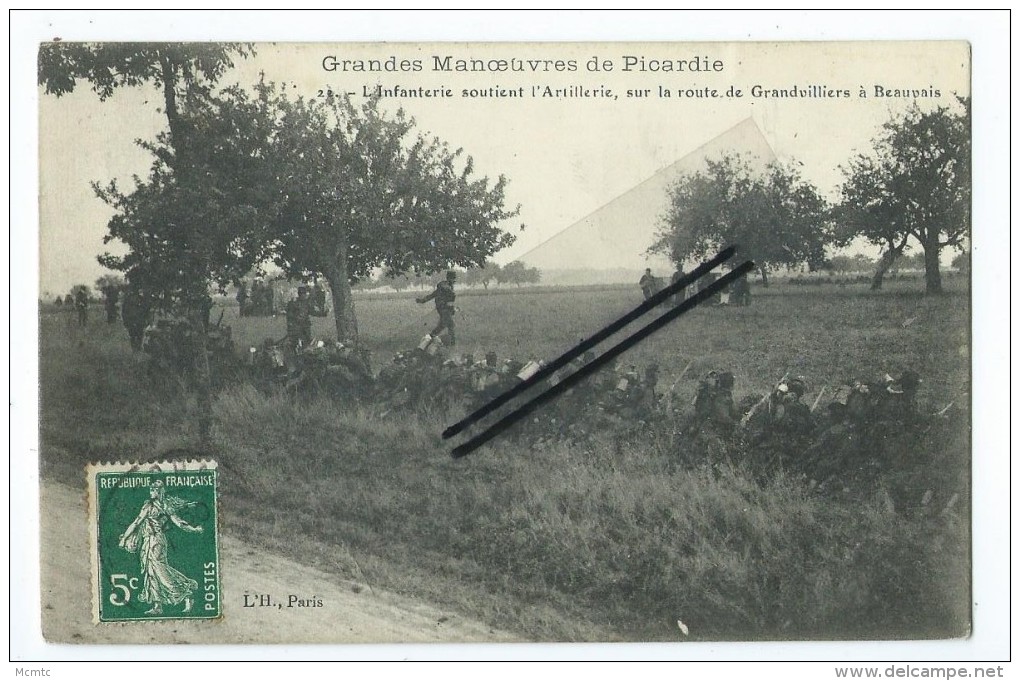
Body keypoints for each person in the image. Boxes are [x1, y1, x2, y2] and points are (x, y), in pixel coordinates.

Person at [117, 480, 203, 615]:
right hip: (148, 541)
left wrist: (194, 529)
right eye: (151, 489)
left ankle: (186, 594)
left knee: (160, 570)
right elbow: (137, 523)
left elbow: (179, 522)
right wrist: (125, 538)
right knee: (151, 572)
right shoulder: (155, 505)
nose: (151, 491)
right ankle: (157, 606)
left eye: (154, 489)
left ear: (160, 491)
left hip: (156, 541)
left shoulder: (157, 506)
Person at [417, 271, 458, 347]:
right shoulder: (445, 287)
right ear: (449, 278)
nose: (454, 281)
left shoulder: (446, 286)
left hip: (445, 309)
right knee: (451, 325)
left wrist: (422, 300)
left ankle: (428, 340)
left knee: (441, 326)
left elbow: (432, 295)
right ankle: (452, 344)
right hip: (444, 309)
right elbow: (448, 297)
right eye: (453, 279)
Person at [121, 285, 153, 351]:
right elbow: (124, 311)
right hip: (135, 321)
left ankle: (136, 350)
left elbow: (146, 310)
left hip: (137, 321)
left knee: (135, 336)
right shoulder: (131, 299)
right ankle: (136, 350)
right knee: (136, 336)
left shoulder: (139, 299)